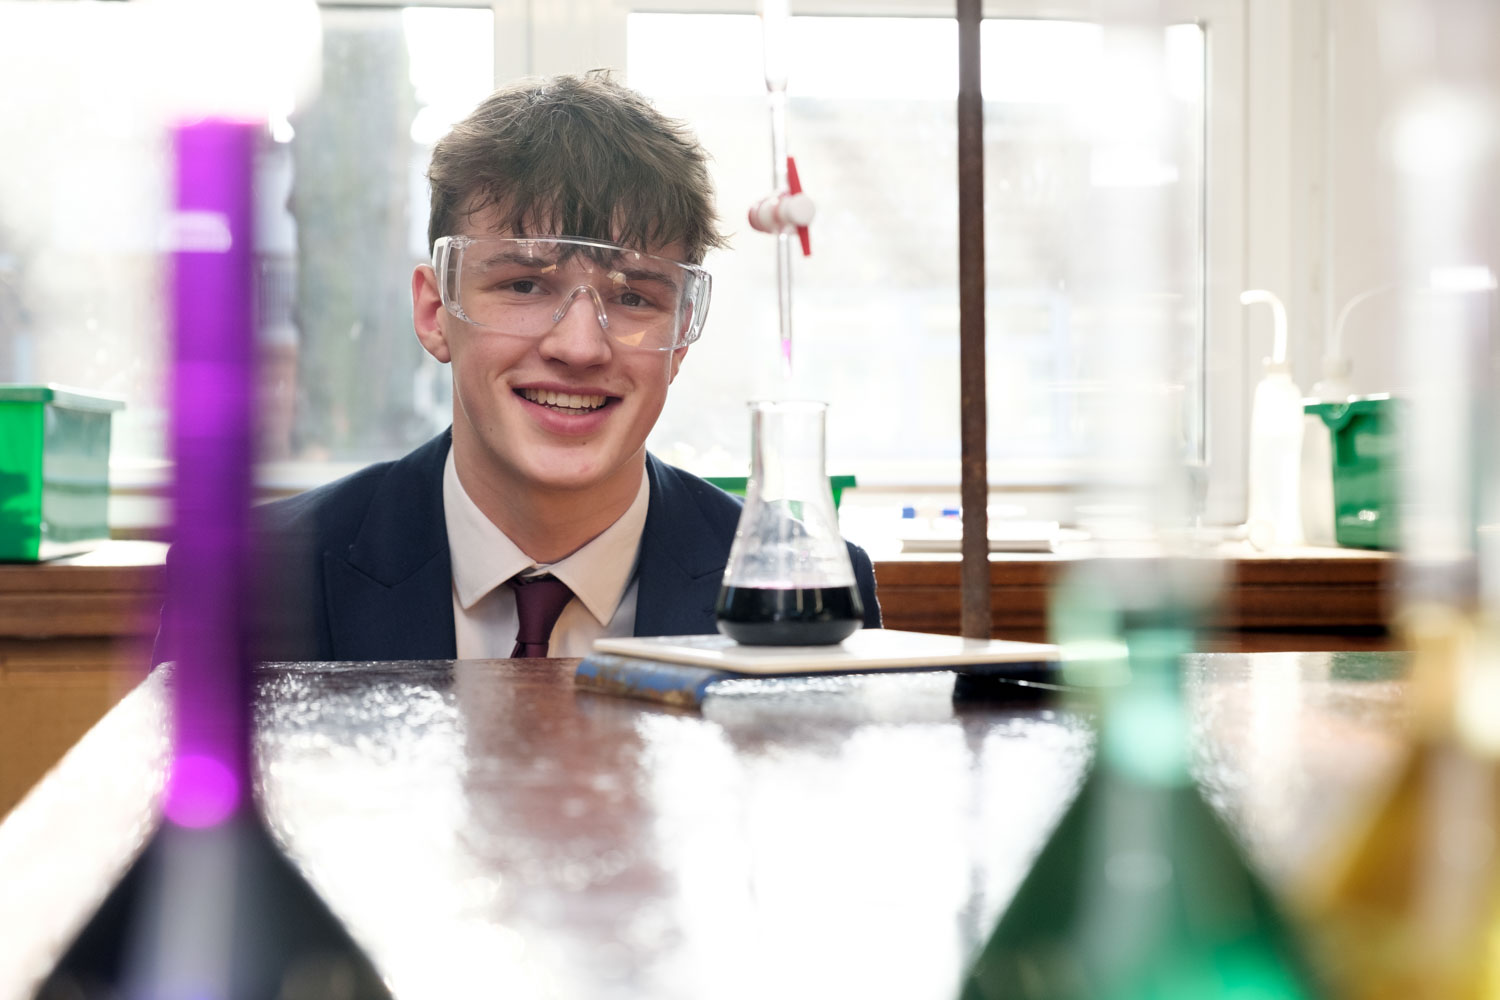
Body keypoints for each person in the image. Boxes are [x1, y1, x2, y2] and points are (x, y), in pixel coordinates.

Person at [154, 71, 880, 665]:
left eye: (634, 297)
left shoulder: (806, 588)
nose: (580, 347)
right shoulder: (248, 578)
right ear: (436, 313)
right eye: (525, 285)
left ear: (680, 339)